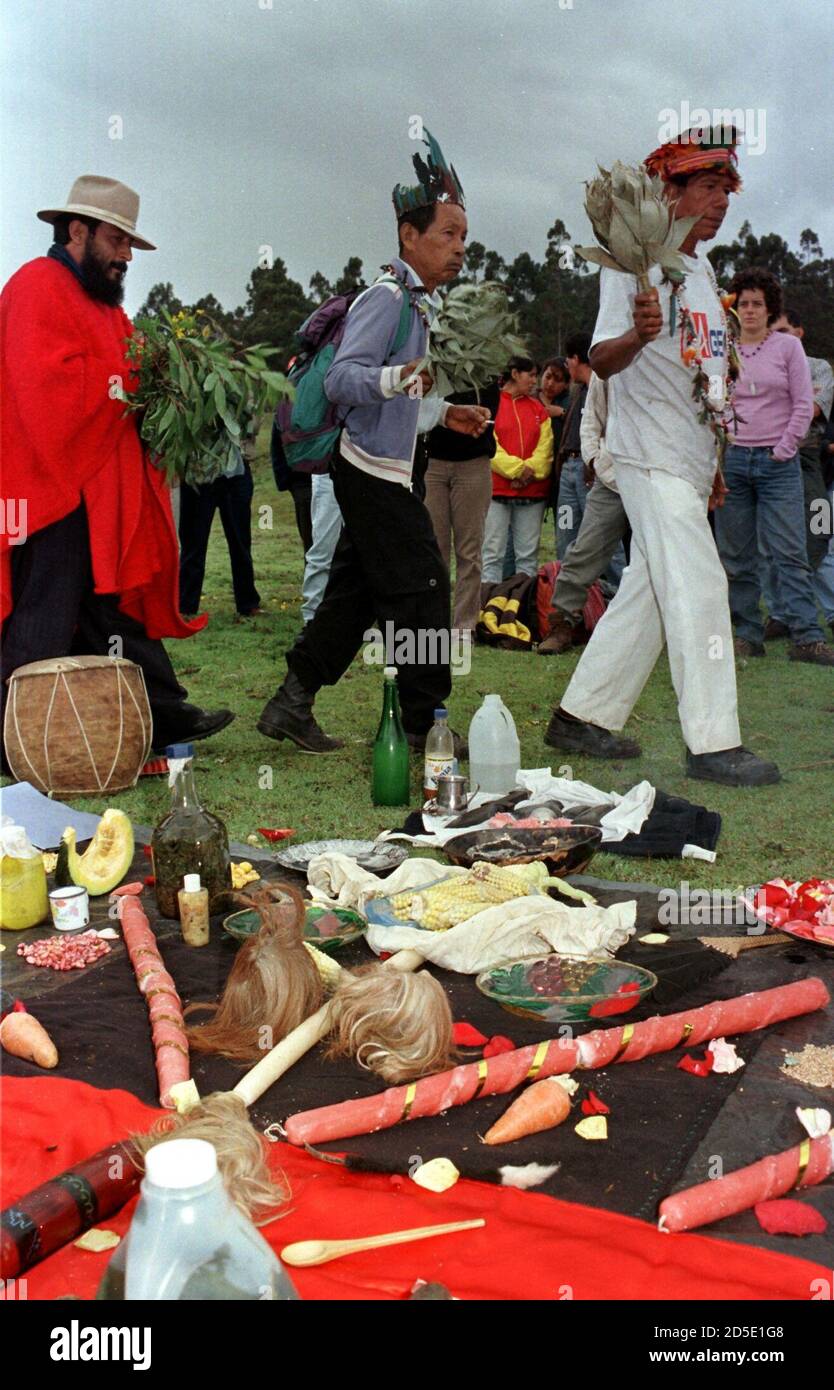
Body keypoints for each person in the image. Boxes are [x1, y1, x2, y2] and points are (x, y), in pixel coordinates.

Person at [545, 124, 780, 787]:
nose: (720, 202)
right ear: (668, 193)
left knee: (649, 592)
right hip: (646, 454)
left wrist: (712, 467)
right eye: (707, 187)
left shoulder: (700, 270)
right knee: (701, 584)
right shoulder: (635, 260)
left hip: (686, 456)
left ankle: (580, 717)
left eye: (726, 190)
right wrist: (639, 334)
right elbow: (600, 359)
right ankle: (714, 743)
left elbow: (708, 378)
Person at [257, 130, 489, 753]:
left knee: (355, 596)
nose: (460, 248)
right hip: (369, 472)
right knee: (424, 585)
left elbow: (394, 400)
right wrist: (397, 377)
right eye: (448, 234)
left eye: (464, 236)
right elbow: (340, 379)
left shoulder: (417, 306)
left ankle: (291, 702)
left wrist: (442, 416)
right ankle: (425, 723)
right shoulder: (387, 299)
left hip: (384, 467)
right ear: (409, 237)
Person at [0, 176, 232, 752]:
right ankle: (9, 732)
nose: (127, 255)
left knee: (112, 602)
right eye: (118, 240)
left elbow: (127, 373)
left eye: (130, 243)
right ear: (77, 231)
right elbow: (43, 388)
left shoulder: (103, 306)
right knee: (44, 613)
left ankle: (157, 713)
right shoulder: (36, 286)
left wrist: (169, 382)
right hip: (45, 490)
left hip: (96, 489)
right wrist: (127, 382)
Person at [713, 268, 831, 665]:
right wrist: (725, 441)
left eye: (757, 304)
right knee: (737, 555)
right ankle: (747, 635)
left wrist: (783, 448)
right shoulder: (722, 349)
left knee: (789, 551)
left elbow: (802, 403)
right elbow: (715, 402)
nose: (749, 310)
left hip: (778, 464)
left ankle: (807, 638)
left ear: (769, 308)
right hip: (734, 463)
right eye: (742, 303)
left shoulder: (786, 348)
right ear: (733, 307)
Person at [538, 371, 630, 654]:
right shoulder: (608, 368)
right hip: (609, 474)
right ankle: (562, 621)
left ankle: (674, 628)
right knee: (584, 549)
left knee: (665, 555)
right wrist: (593, 457)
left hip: (660, 474)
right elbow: (591, 418)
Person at [761, 307, 834, 636]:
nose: (779, 340)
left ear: (800, 332)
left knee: (819, 534)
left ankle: (830, 613)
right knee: (766, 545)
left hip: (808, 462)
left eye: (785, 332)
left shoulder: (819, 367)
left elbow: (814, 409)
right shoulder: (760, 365)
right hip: (767, 459)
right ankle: (779, 615)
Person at [425, 381, 499, 633]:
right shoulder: (432, 363)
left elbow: (488, 414)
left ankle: (464, 627)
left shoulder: (485, 371)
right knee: (435, 549)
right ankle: (434, 623)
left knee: (470, 550)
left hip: (473, 463)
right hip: (432, 463)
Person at [178, 421, 263, 618]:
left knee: (241, 542)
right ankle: (185, 605)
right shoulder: (189, 392)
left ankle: (248, 603)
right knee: (193, 544)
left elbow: (253, 425)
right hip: (198, 471)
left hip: (236, 473)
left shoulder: (244, 391)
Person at [481, 356, 553, 583]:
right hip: (497, 491)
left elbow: (546, 447)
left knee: (528, 558)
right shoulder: (492, 404)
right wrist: (518, 471)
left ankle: (522, 609)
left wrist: (527, 472)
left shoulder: (538, 409)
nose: (535, 381)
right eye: (530, 375)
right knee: (492, 555)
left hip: (532, 493)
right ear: (514, 374)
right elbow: (489, 444)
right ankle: (486, 609)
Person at [553, 333, 593, 559]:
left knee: (598, 533)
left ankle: (617, 588)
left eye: (568, 360)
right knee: (565, 530)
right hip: (569, 469)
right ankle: (564, 583)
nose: (567, 366)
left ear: (575, 359)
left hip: (588, 473)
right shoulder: (578, 392)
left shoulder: (600, 389)